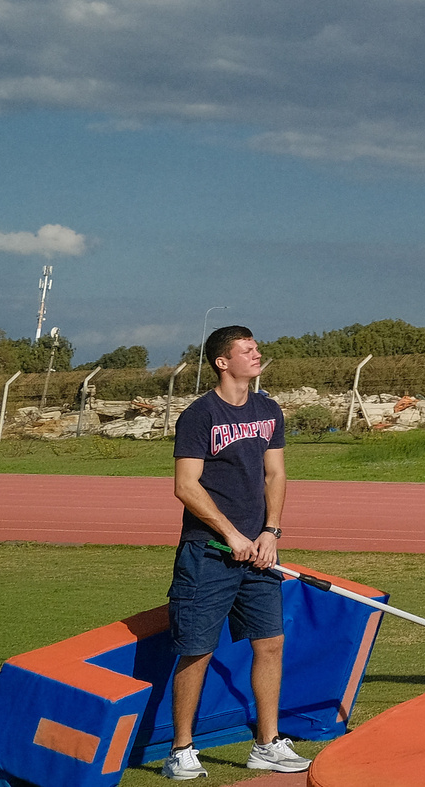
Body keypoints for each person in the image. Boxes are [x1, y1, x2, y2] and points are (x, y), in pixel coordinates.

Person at [164, 325, 310, 776]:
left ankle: (267, 744)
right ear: (222, 362)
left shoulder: (269, 409)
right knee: (197, 650)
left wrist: (271, 532)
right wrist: (231, 534)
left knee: (271, 643)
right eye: (246, 350)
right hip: (208, 552)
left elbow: (276, 475)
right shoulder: (199, 416)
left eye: (257, 348)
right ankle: (181, 751)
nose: (256, 354)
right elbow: (185, 487)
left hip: (260, 553)